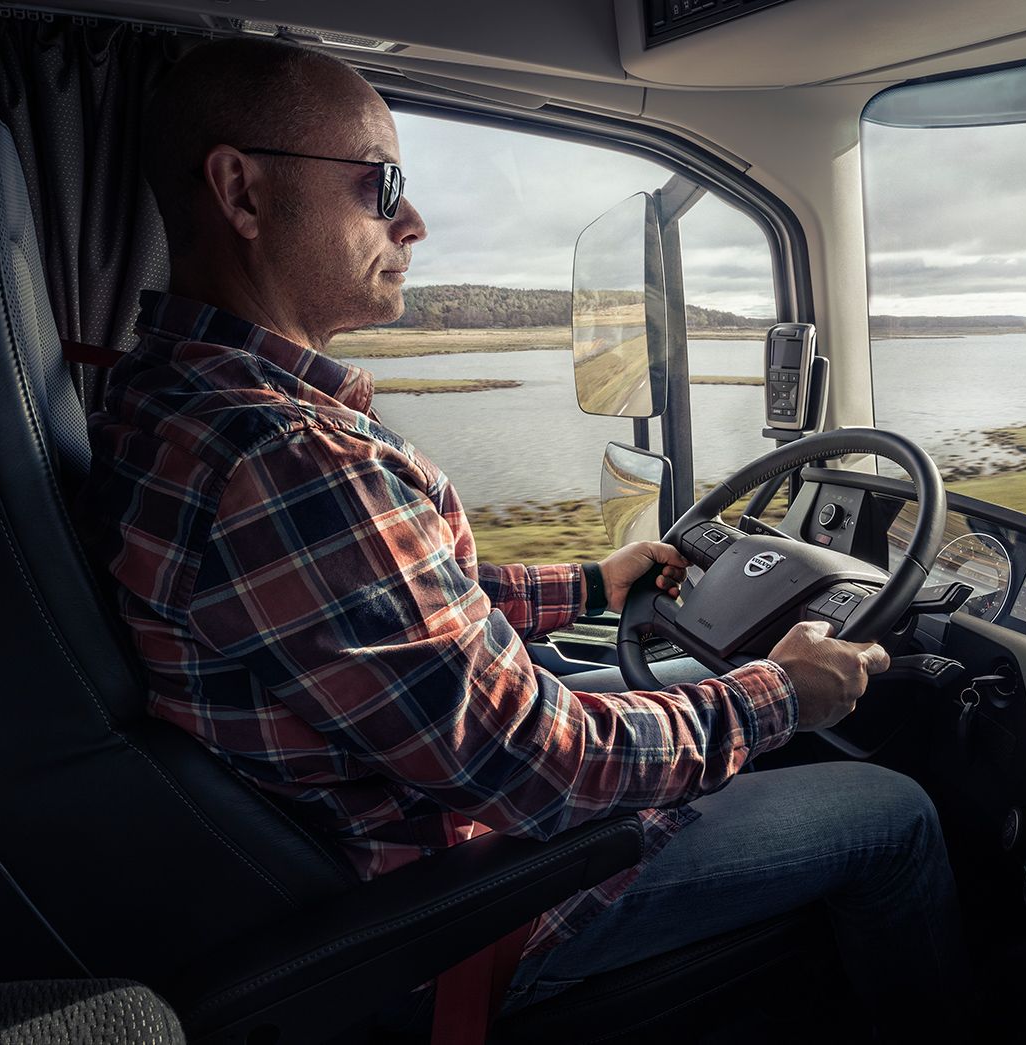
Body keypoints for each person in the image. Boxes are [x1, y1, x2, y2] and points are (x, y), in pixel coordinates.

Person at [81, 36, 963, 1035]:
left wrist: (591, 584)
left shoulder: (165, 394)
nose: (412, 220)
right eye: (381, 186)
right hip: (470, 899)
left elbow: (383, 620)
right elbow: (539, 767)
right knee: (891, 809)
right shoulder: (283, 455)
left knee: (675, 700)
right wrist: (778, 693)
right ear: (241, 193)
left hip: (388, 813)